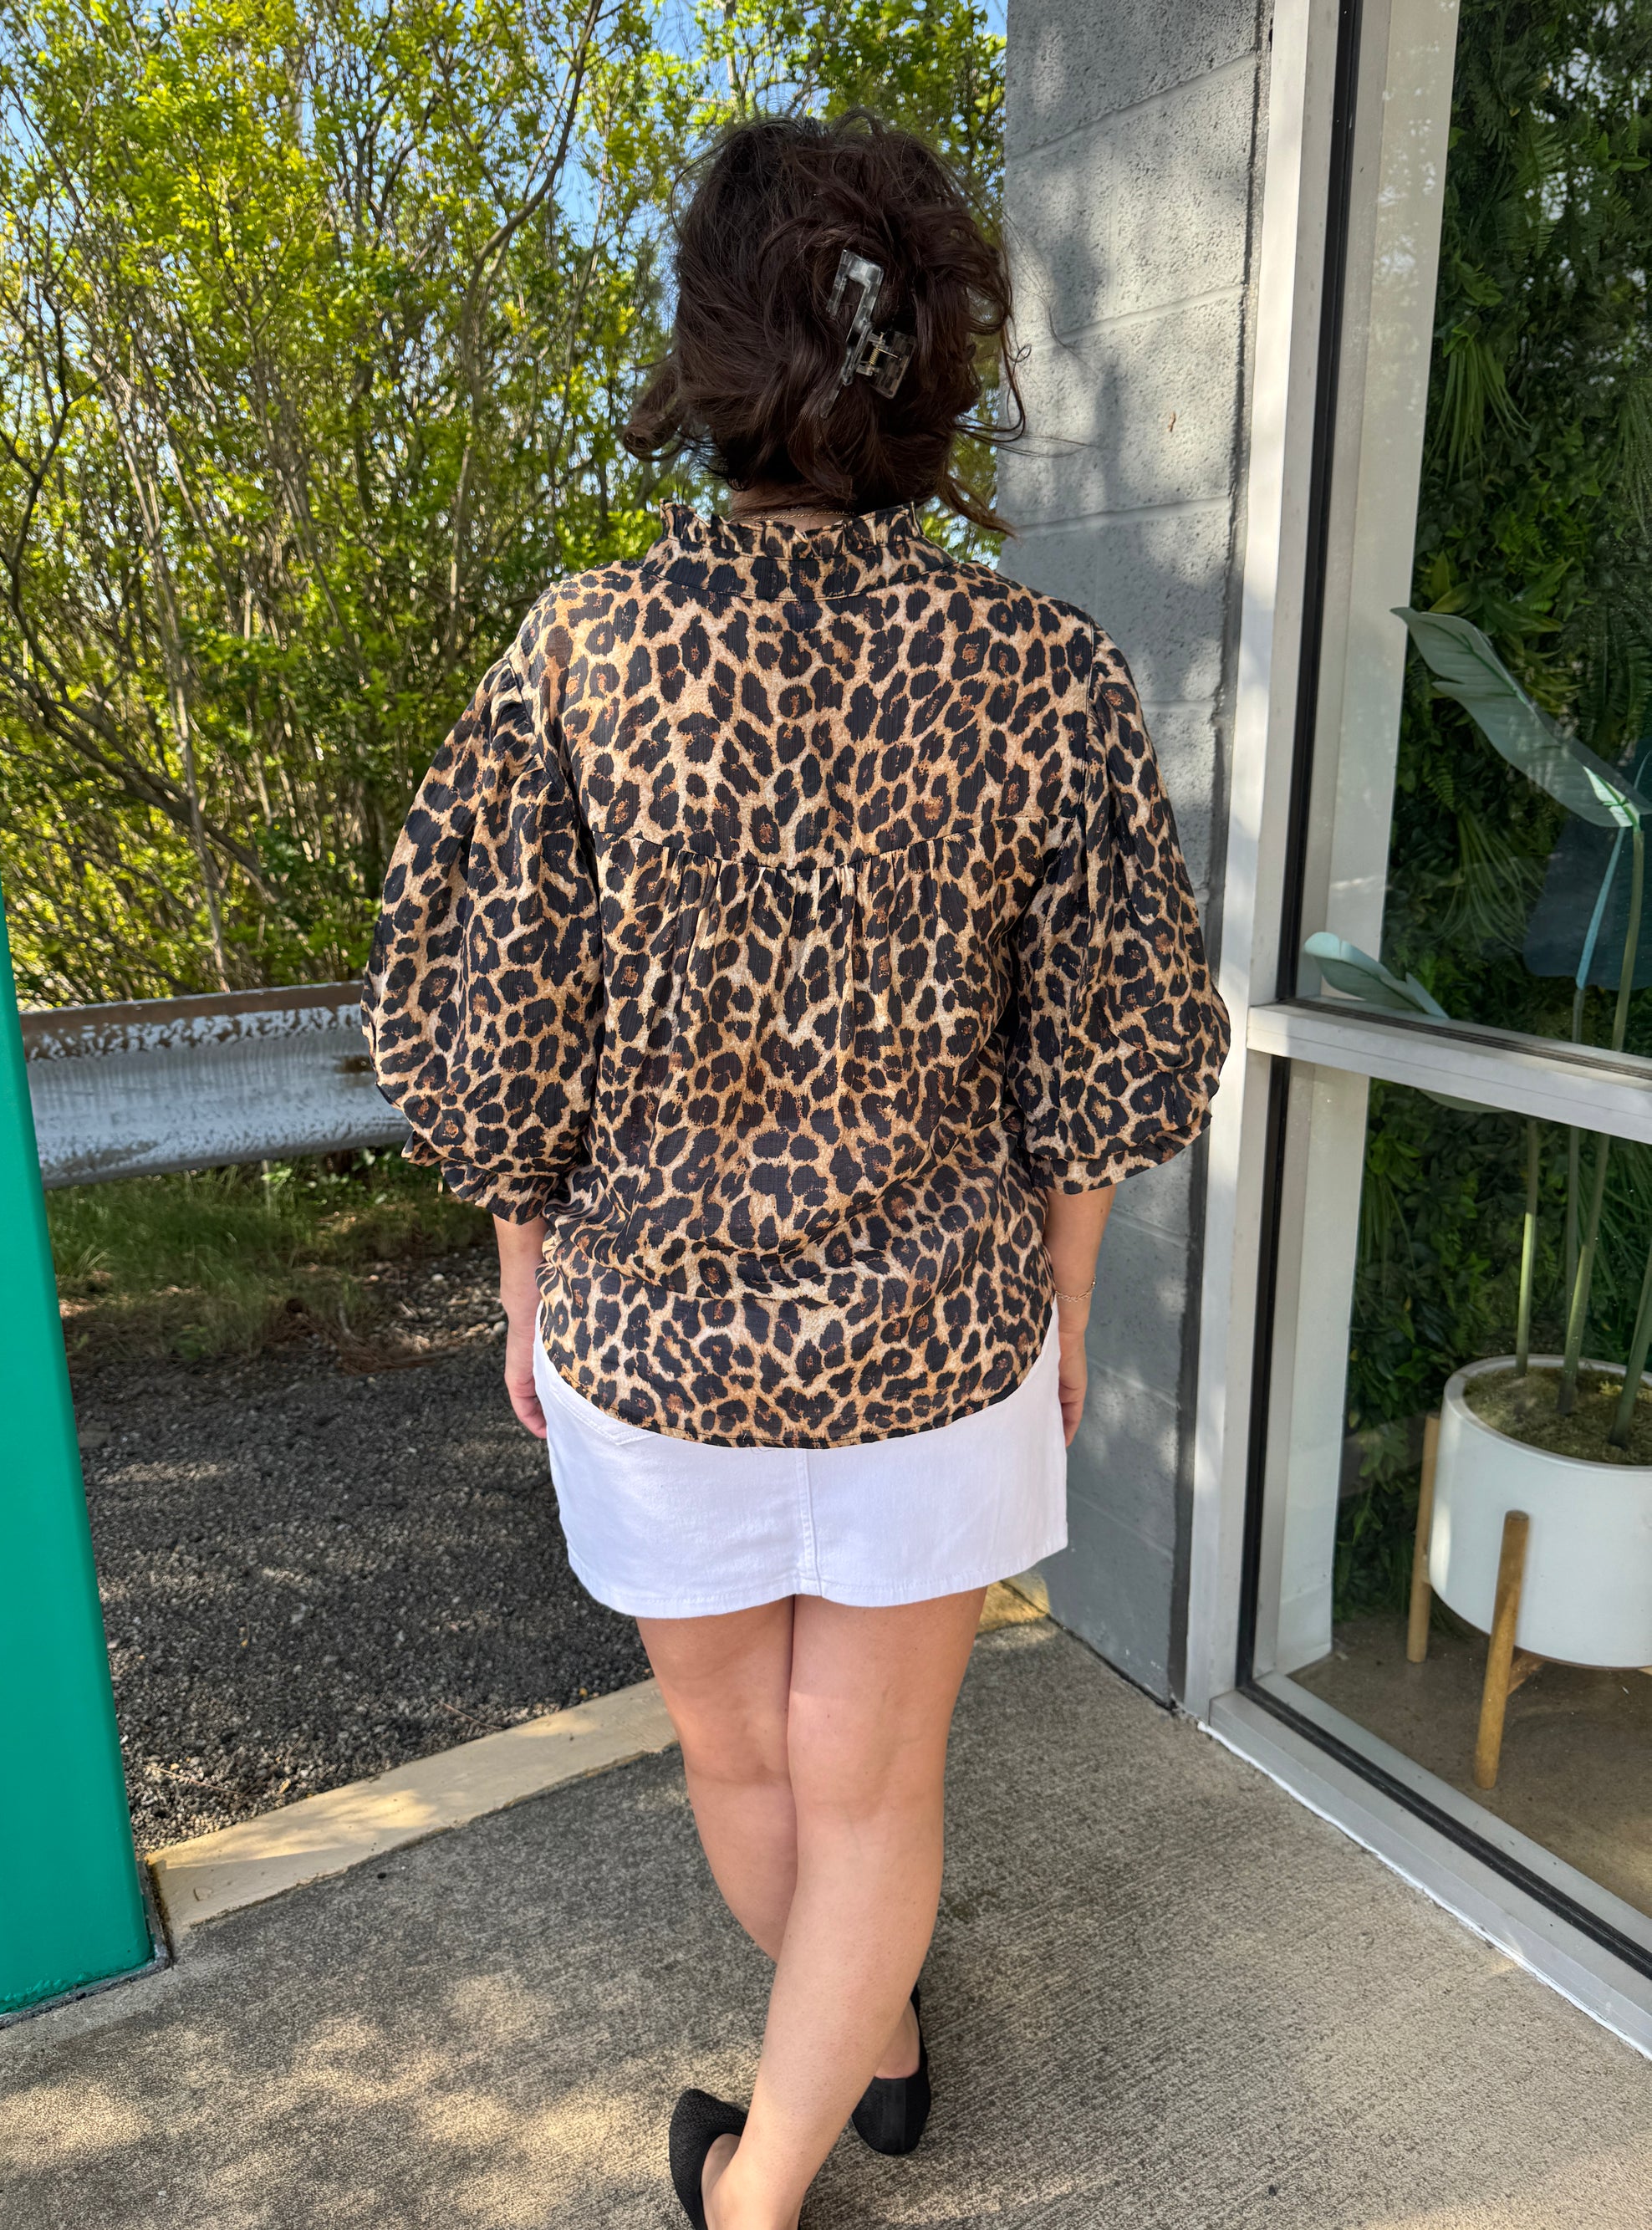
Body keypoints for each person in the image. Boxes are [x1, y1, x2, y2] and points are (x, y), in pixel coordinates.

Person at [365, 110, 1227, 2230]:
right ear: (933, 364)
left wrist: (523, 1289)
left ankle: (768, 2173)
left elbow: (491, 1021)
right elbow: (1106, 1045)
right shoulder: (1039, 671)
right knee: (876, 1783)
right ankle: (869, 2051)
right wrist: (1067, 1311)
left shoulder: (581, 655)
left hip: (656, 1342)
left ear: (710, 353)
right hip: (939, 1331)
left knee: (746, 1764)